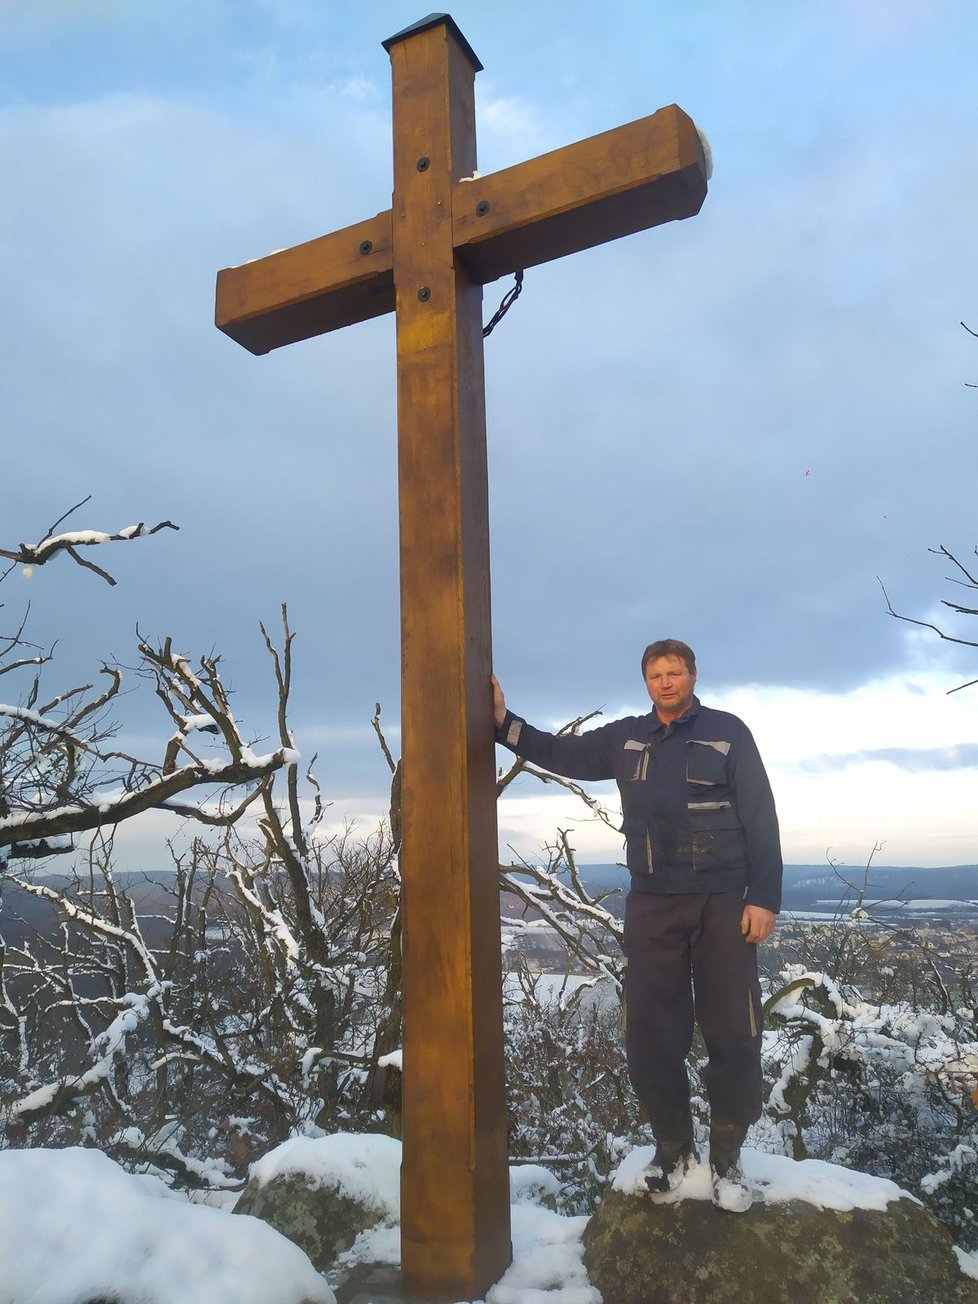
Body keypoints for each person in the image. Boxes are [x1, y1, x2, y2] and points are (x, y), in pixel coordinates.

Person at [492, 639, 782, 1213]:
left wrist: (764, 897)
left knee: (733, 1029)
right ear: (645, 681)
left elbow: (761, 814)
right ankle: (672, 1152)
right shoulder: (626, 739)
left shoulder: (729, 732)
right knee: (650, 1030)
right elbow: (565, 754)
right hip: (653, 903)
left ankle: (727, 1160)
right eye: (656, 675)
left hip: (723, 902)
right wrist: (504, 724)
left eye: (675, 673)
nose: (666, 683)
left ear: (692, 675)